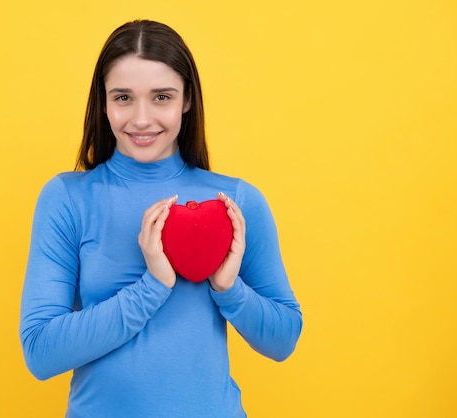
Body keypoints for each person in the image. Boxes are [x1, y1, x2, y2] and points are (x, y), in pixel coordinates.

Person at [20, 19, 302, 418]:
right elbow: (41, 351)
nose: (140, 119)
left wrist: (228, 288)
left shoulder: (236, 202)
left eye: (161, 97)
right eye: (122, 98)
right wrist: (152, 286)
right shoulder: (68, 198)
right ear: (102, 102)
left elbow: (283, 340)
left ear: (187, 99)